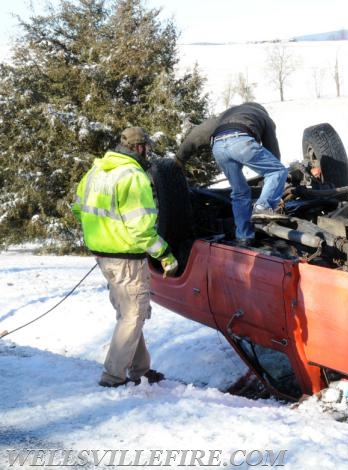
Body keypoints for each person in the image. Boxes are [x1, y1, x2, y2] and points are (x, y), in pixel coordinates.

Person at [72, 127, 179, 388]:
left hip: (103, 255)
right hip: (126, 257)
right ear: (140, 147)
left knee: (130, 313)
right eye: (147, 148)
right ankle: (113, 377)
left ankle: (139, 369)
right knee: (132, 315)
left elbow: (78, 208)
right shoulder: (133, 176)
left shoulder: (96, 170)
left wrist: (104, 236)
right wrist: (164, 253)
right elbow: (141, 228)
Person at [176, 102, 287, 245]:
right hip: (241, 141)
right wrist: (271, 185)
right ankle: (263, 207)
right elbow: (273, 156)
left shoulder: (226, 115)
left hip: (219, 148)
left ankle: (244, 236)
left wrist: (179, 158)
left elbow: (196, 134)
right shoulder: (263, 117)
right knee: (278, 171)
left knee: (240, 192)